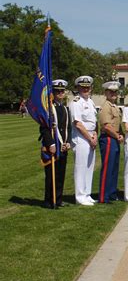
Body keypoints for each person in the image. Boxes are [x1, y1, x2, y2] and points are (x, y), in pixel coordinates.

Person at [40, 80, 71, 209]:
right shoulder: (48, 108)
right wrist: (51, 143)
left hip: (63, 146)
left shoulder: (65, 108)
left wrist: (68, 142)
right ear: (53, 92)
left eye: (62, 91)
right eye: (57, 91)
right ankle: (48, 201)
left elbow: (68, 127)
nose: (60, 93)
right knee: (51, 175)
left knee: (61, 174)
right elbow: (44, 128)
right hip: (52, 146)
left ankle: (58, 199)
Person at [70, 75, 97, 206]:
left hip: (90, 136)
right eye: (83, 87)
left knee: (89, 167)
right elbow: (78, 124)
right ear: (78, 88)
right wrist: (90, 138)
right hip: (81, 138)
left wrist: (94, 136)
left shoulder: (90, 102)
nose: (86, 89)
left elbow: (93, 122)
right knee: (80, 167)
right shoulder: (76, 102)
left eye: (88, 87)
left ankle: (87, 194)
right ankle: (80, 196)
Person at [98, 81, 123, 204]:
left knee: (114, 168)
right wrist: (117, 136)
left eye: (115, 92)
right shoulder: (106, 107)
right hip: (108, 138)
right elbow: (106, 126)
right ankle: (103, 196)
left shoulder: (114, 106)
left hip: (114, 138)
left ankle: (112, 193)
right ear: (106, 93)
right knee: (108, 168)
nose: (113, 94)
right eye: (111, 92)